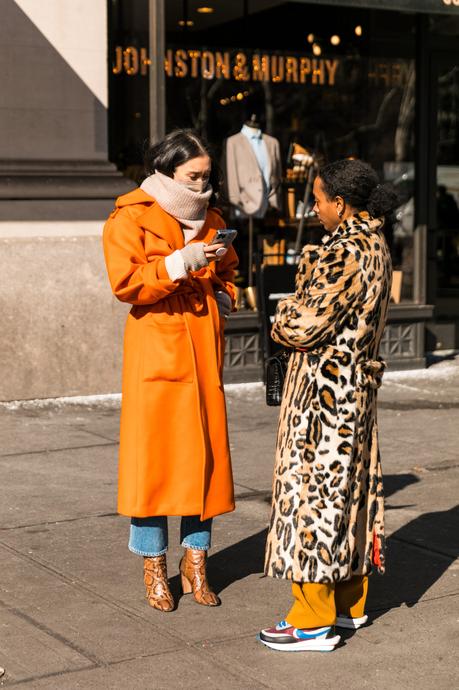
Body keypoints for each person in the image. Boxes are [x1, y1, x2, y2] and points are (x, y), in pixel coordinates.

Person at [259, 159, 397, 652]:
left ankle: (312, 620)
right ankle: (348, 602)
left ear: (340, 203)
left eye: (317, 199)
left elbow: (301, 326)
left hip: (323, 397)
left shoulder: (343, 253)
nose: (312, 208)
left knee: (313, 501)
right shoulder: (376, 243)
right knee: (351, 496)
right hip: (354, 389)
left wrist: (282, 312)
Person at [103, 129, 238, 612]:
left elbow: (229, 274)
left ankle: (196, 561)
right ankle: (154, 564)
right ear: (168, 171)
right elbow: (126, 283)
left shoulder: (213, 218)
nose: (203, 185)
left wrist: (224, 291)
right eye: (193, 176)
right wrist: (179, 263)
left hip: (202, 346)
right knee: (154, 463)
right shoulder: (130, 216)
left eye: (207, 176)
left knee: (205, 462)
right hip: (157, 346)